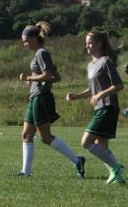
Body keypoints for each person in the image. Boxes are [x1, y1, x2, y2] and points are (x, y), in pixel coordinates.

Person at [14, 20, 86, 179]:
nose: (24, 44)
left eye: (26, 41)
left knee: (45, 137)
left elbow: (48, 75)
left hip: (42, 98)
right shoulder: (39, 54)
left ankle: (77, 160)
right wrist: (32, 79)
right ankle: (25, 171)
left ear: (34, 38)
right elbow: (56, 77)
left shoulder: (42, 53)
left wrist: (30, 78)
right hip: (34, 97)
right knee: (26, 134)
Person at [63, 30, 126, 185]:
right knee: (101, 146)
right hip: (100, 107)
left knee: (86, 142)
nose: (87, 45)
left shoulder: (105, 61)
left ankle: (116, 167)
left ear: (99, 43)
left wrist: (100, 95)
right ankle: (117, 176)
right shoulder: (90, 65)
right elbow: (93, 89)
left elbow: (119, 85)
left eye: (90, 42)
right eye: (86, 42)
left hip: (108, 107)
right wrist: (76, 96)